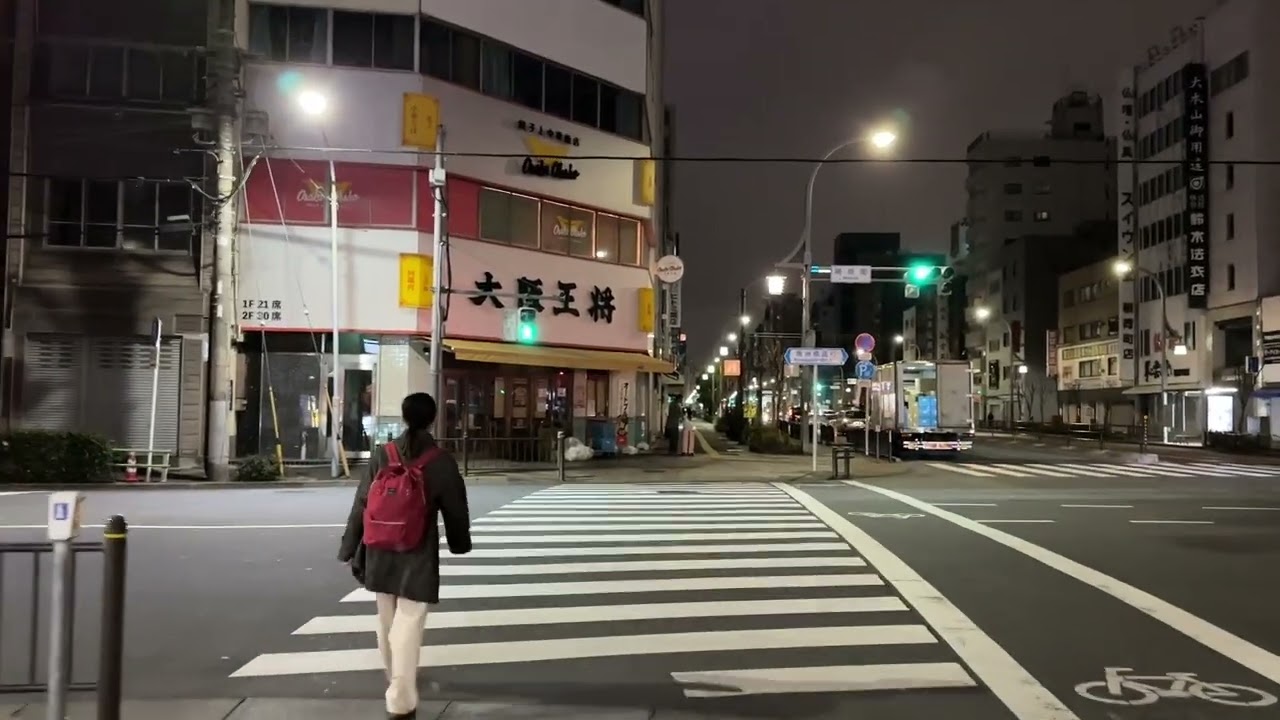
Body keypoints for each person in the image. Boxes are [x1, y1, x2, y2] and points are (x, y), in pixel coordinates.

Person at [338, 392, 471, 720]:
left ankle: (393, 674)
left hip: (379, 548)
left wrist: (349, 546)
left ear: (404, 415)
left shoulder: (384, 454)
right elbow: (455, 509)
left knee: (387, 616)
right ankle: (400, 699)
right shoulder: (440, 461)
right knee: (409, 620)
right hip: (416, 551)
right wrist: (459, 543)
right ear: (433, 418)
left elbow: (362, 502)